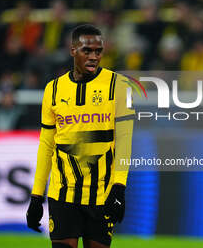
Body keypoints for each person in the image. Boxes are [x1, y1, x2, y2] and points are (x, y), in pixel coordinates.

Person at [26, 24, 135, 248]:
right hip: (63, 195)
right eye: (87, 51)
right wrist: (37, 196)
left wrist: (119, 187)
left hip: (102, 194)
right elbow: (46, 145)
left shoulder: (119, 86)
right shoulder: (53, 90)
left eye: (99, 51)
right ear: (73, 50)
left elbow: (124, 140)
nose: (94, 56)